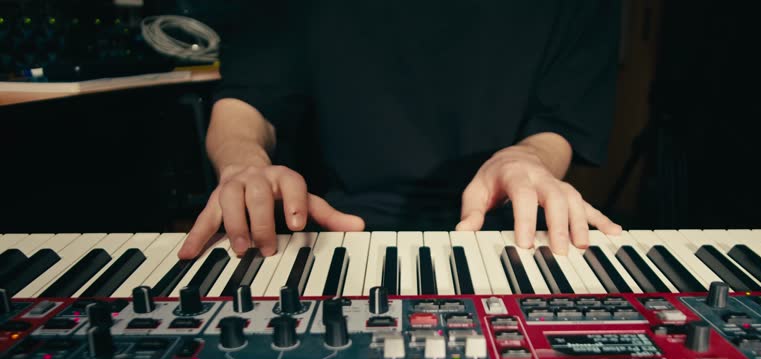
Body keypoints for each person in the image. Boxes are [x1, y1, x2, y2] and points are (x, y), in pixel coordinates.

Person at [178, 0, 623, 261]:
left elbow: (560, 122)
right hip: (337, 227)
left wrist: (528, 158)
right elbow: (247, 98)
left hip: (507, 230)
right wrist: (244, 164)